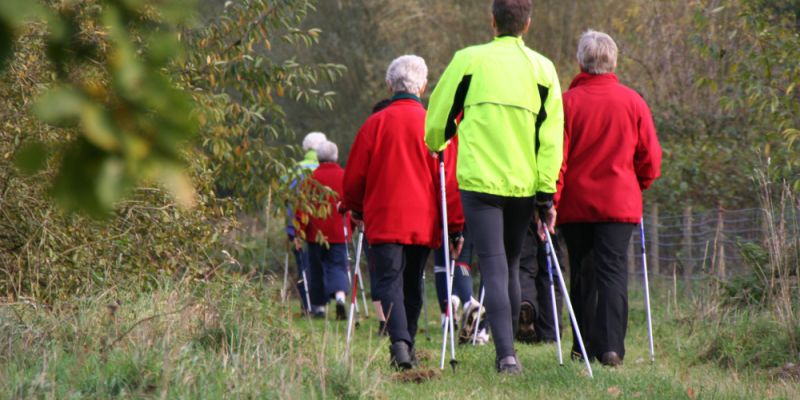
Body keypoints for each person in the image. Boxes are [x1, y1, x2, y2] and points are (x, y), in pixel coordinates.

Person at [425, 0, 564, 374]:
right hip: (523, 184)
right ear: (528, 25)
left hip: (479, 182)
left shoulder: (468, 60)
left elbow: (438, 115)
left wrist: (438, 141)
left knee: (493, 265)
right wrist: (546, 194)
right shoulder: (543, 69)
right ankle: (509, 348)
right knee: (512, 261)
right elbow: (551, 139)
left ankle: (506, 356)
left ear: (492, 21)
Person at [344, 55, 464, 370]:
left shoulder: (374, 124)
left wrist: (354, 208)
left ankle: (400, 343)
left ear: (389, 85)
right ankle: (405, 342)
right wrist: (455, 226)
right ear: (423, 87)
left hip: (383, 217)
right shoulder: (436, 127)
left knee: (388, 280)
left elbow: (355, 175)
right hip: (423, 219)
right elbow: (449, 182)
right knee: (413, 281)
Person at [557, 30, 662, 367]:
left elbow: (555, 156)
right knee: (613, 272)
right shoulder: (633, 101)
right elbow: (651, 157)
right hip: (619, 202)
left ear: (581, 62)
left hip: (575, 204)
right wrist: (640, 183)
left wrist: (551, 199)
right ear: (614, 61)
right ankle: (611, 347)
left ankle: (582, 346)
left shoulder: (567, 102)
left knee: (582, 272)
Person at [295, 140, 351, 320]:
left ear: (318, 158)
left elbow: (302, 208)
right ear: (336, 157)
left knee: (316, 269)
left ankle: (318, 307)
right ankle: (341, 297)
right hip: (339, 232)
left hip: (315, 233)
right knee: (338, 266)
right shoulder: (345, 177)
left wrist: (299, 232)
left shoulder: (310, 179)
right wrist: (353, 226)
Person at [286, 131, 328, 313]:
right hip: (323, 226)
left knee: (303, 265)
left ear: (305, 147)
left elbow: (285, 197)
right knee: (322, 265)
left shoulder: (295, 169)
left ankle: (306, 304)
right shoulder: (325, 167)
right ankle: (320, 306)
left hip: (296, 225)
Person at [516, 227, 564, 344]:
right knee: (549, 270)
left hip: (521, 212)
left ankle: (525, 302)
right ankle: (550, 331)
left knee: (524, 265)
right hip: (549, 215)